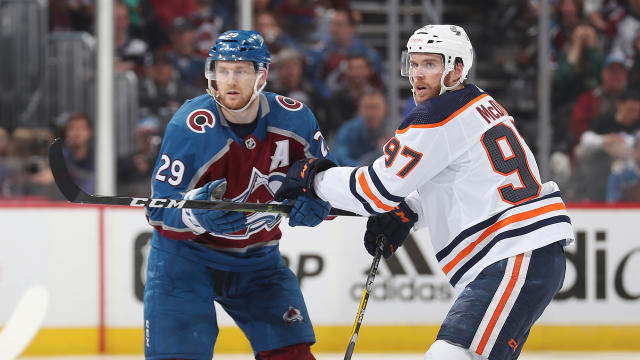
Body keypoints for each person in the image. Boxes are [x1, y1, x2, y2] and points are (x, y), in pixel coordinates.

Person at [275, 24, 575, 360]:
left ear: (456, 68)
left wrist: (315, 178)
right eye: (413, 64)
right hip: (519, 253)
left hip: (514, 252)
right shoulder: (478, 102)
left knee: (451, 355)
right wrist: (410, 209)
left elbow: (376, 191)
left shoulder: (436, 115)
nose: (417, 74)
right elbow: (458, 176)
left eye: (430, 64)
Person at [144, 30, 335, 360]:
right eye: (223, 70)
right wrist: (195, 213)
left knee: (292, 355)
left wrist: (319, 199)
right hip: (186, 261)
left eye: (241, 70)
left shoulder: (296, 118)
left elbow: (327, 181)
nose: (230, 80)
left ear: (262, 75)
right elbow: (158, 209)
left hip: (259, 262)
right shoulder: (190, 126)